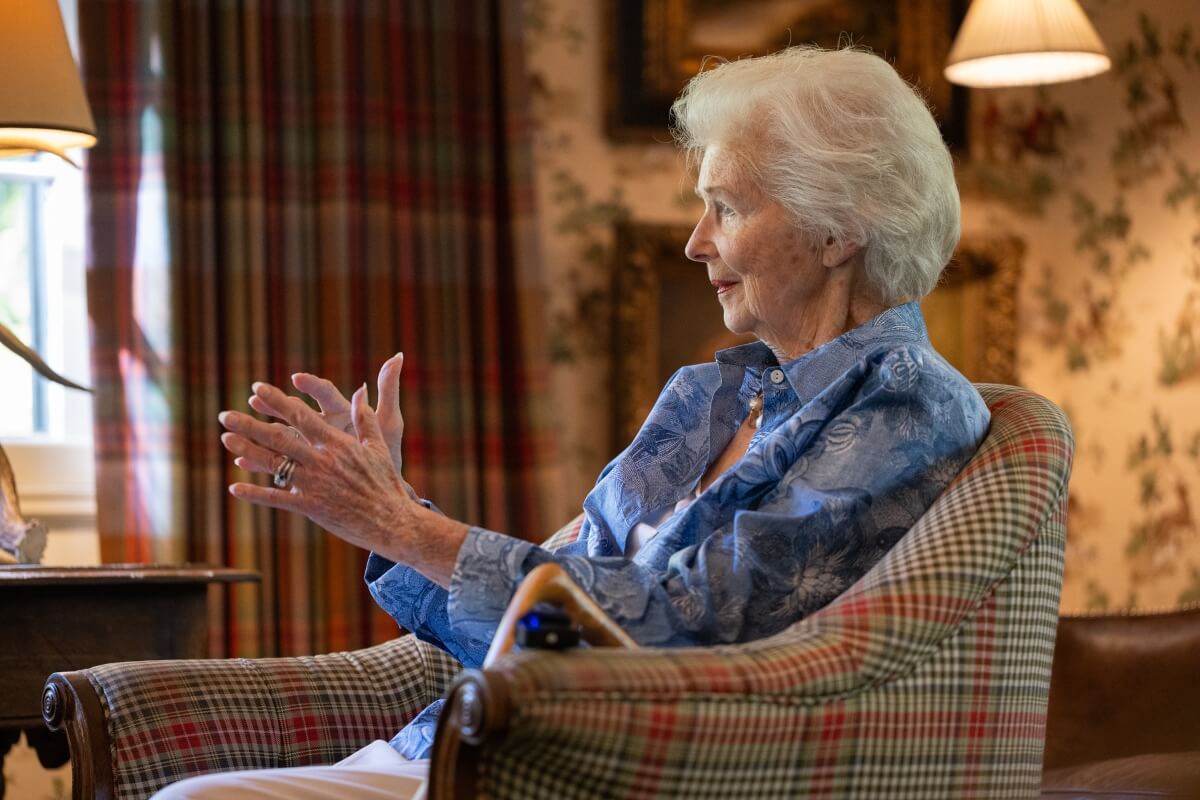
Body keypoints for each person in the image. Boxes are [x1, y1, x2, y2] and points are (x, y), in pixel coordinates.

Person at [159, 45, 990, 799]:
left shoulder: (909, 403)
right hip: (467, 747)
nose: (697, 243)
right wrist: (387, 517)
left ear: (838, 229)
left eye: (727, 208)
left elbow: (690, 627)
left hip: (602, 776)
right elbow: (545, 631)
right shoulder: (709, 396)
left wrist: (403, 525)